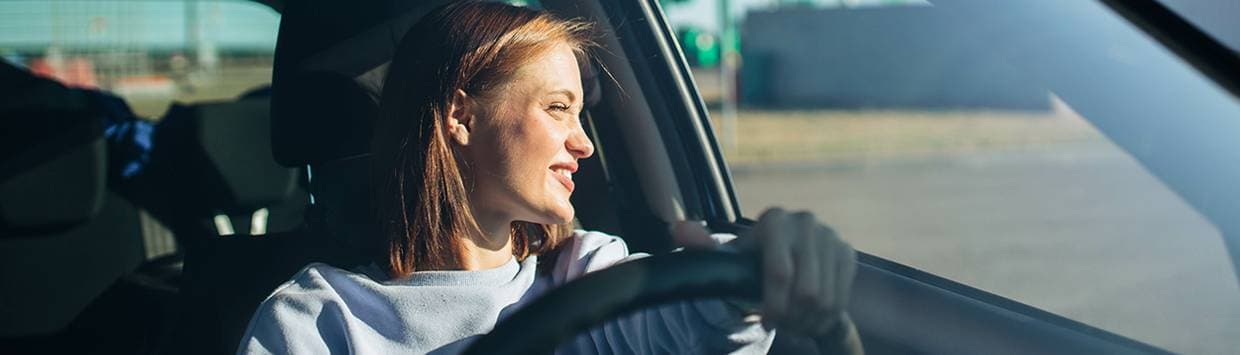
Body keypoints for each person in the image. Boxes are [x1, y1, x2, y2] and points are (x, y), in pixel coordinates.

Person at [237, 2, 859, 354]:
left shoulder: (584, 274)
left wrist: (755, 273)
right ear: (460, 115)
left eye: (581, 114)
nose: (584, 143)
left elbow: (688, 328)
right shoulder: (314, 322)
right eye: (558, 108)